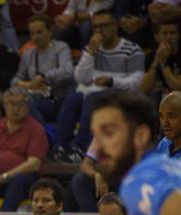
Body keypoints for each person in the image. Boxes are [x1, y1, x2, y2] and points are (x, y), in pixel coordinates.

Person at [54, 10, 144, 163]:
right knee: (72, 98)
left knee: (91, 98)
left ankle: (81, 149)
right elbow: (80, 78)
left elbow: (136, 83)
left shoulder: (132, 49)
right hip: (93, 93)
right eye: (96, 27)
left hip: (120, 96)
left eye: (105, 25)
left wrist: (111, 81)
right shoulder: (92, 48)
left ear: (115, 26)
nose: (100, 30)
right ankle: (60, 147)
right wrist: (90, 52)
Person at [12, 14, 74, 125]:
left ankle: (41, 134)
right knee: (13, 96)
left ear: (50, 31)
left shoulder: (61, 47)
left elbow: (67, 71)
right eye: (32, 33)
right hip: (39, 98)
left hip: (59, 99)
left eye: (39, 32)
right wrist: (26, 84)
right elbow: (15, 79)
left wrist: (44, 77)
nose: (35, 37)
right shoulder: (28, 54)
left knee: (26, 102)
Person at [138, 19, 181, 97]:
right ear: (156, 37)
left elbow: (179, 89)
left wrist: (163, 63)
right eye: (164, 33)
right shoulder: (151, 56)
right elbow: (143, 89)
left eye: (172, 33)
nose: (169, 37)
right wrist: (156, 62)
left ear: (178, 36)